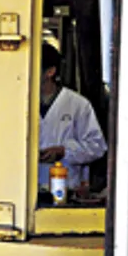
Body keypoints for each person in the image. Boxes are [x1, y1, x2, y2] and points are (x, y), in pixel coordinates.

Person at [38, 43, 107, 195]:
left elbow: (97, 147)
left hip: (67, 188)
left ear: (50, 72)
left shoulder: (78, 104)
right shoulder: (19, 103)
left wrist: (64, 151)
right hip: (25, 189)